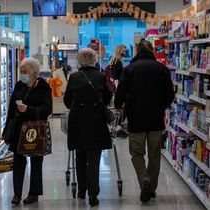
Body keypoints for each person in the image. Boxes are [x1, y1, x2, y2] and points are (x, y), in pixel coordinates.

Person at [114, 40, 175, 203]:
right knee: (154, 155)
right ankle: (151, 188)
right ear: (152, 51)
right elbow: (170, 94)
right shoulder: (162, 69)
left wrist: (118, 106)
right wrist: (162, 106)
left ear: (137, 51)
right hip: (156, 120)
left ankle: (144, 181)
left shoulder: (130, 69)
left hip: (136, 120)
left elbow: (120, 93)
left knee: (136, 153)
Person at [64, 48, 112, 207]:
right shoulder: (100, 76)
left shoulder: (74, 77)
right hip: (96, 121)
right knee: (94, 158)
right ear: (94, 59)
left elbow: (66, 101)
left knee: (80, 156)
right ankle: (93, 194)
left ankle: (81, 190)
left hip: (78, 121)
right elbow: (106, 98)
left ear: (79, 60)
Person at [3, 57, 52, 205]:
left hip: (35, 129)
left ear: (34, 73)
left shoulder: (44, 87)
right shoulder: (19, 86)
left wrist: (28, 109)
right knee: (18, 162)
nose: (22, 74)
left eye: (25, 72)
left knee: (36, 161)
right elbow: (11, 109)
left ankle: (34, 193)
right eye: (21, 71)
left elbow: (47, 109)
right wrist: (7, 128)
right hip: (19, 128)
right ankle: (17, 194)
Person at [108, 44, 128, 137]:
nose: (124, 53)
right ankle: (118, 128)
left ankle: (117, 127)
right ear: (119, 50)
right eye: (123, 51)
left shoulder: (113, 59)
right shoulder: (118, 61)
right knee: (122, 108)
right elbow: (116, 77)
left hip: (115, 87)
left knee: (118, 108)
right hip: (118, 87)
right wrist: (119, 90)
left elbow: (112, 76)